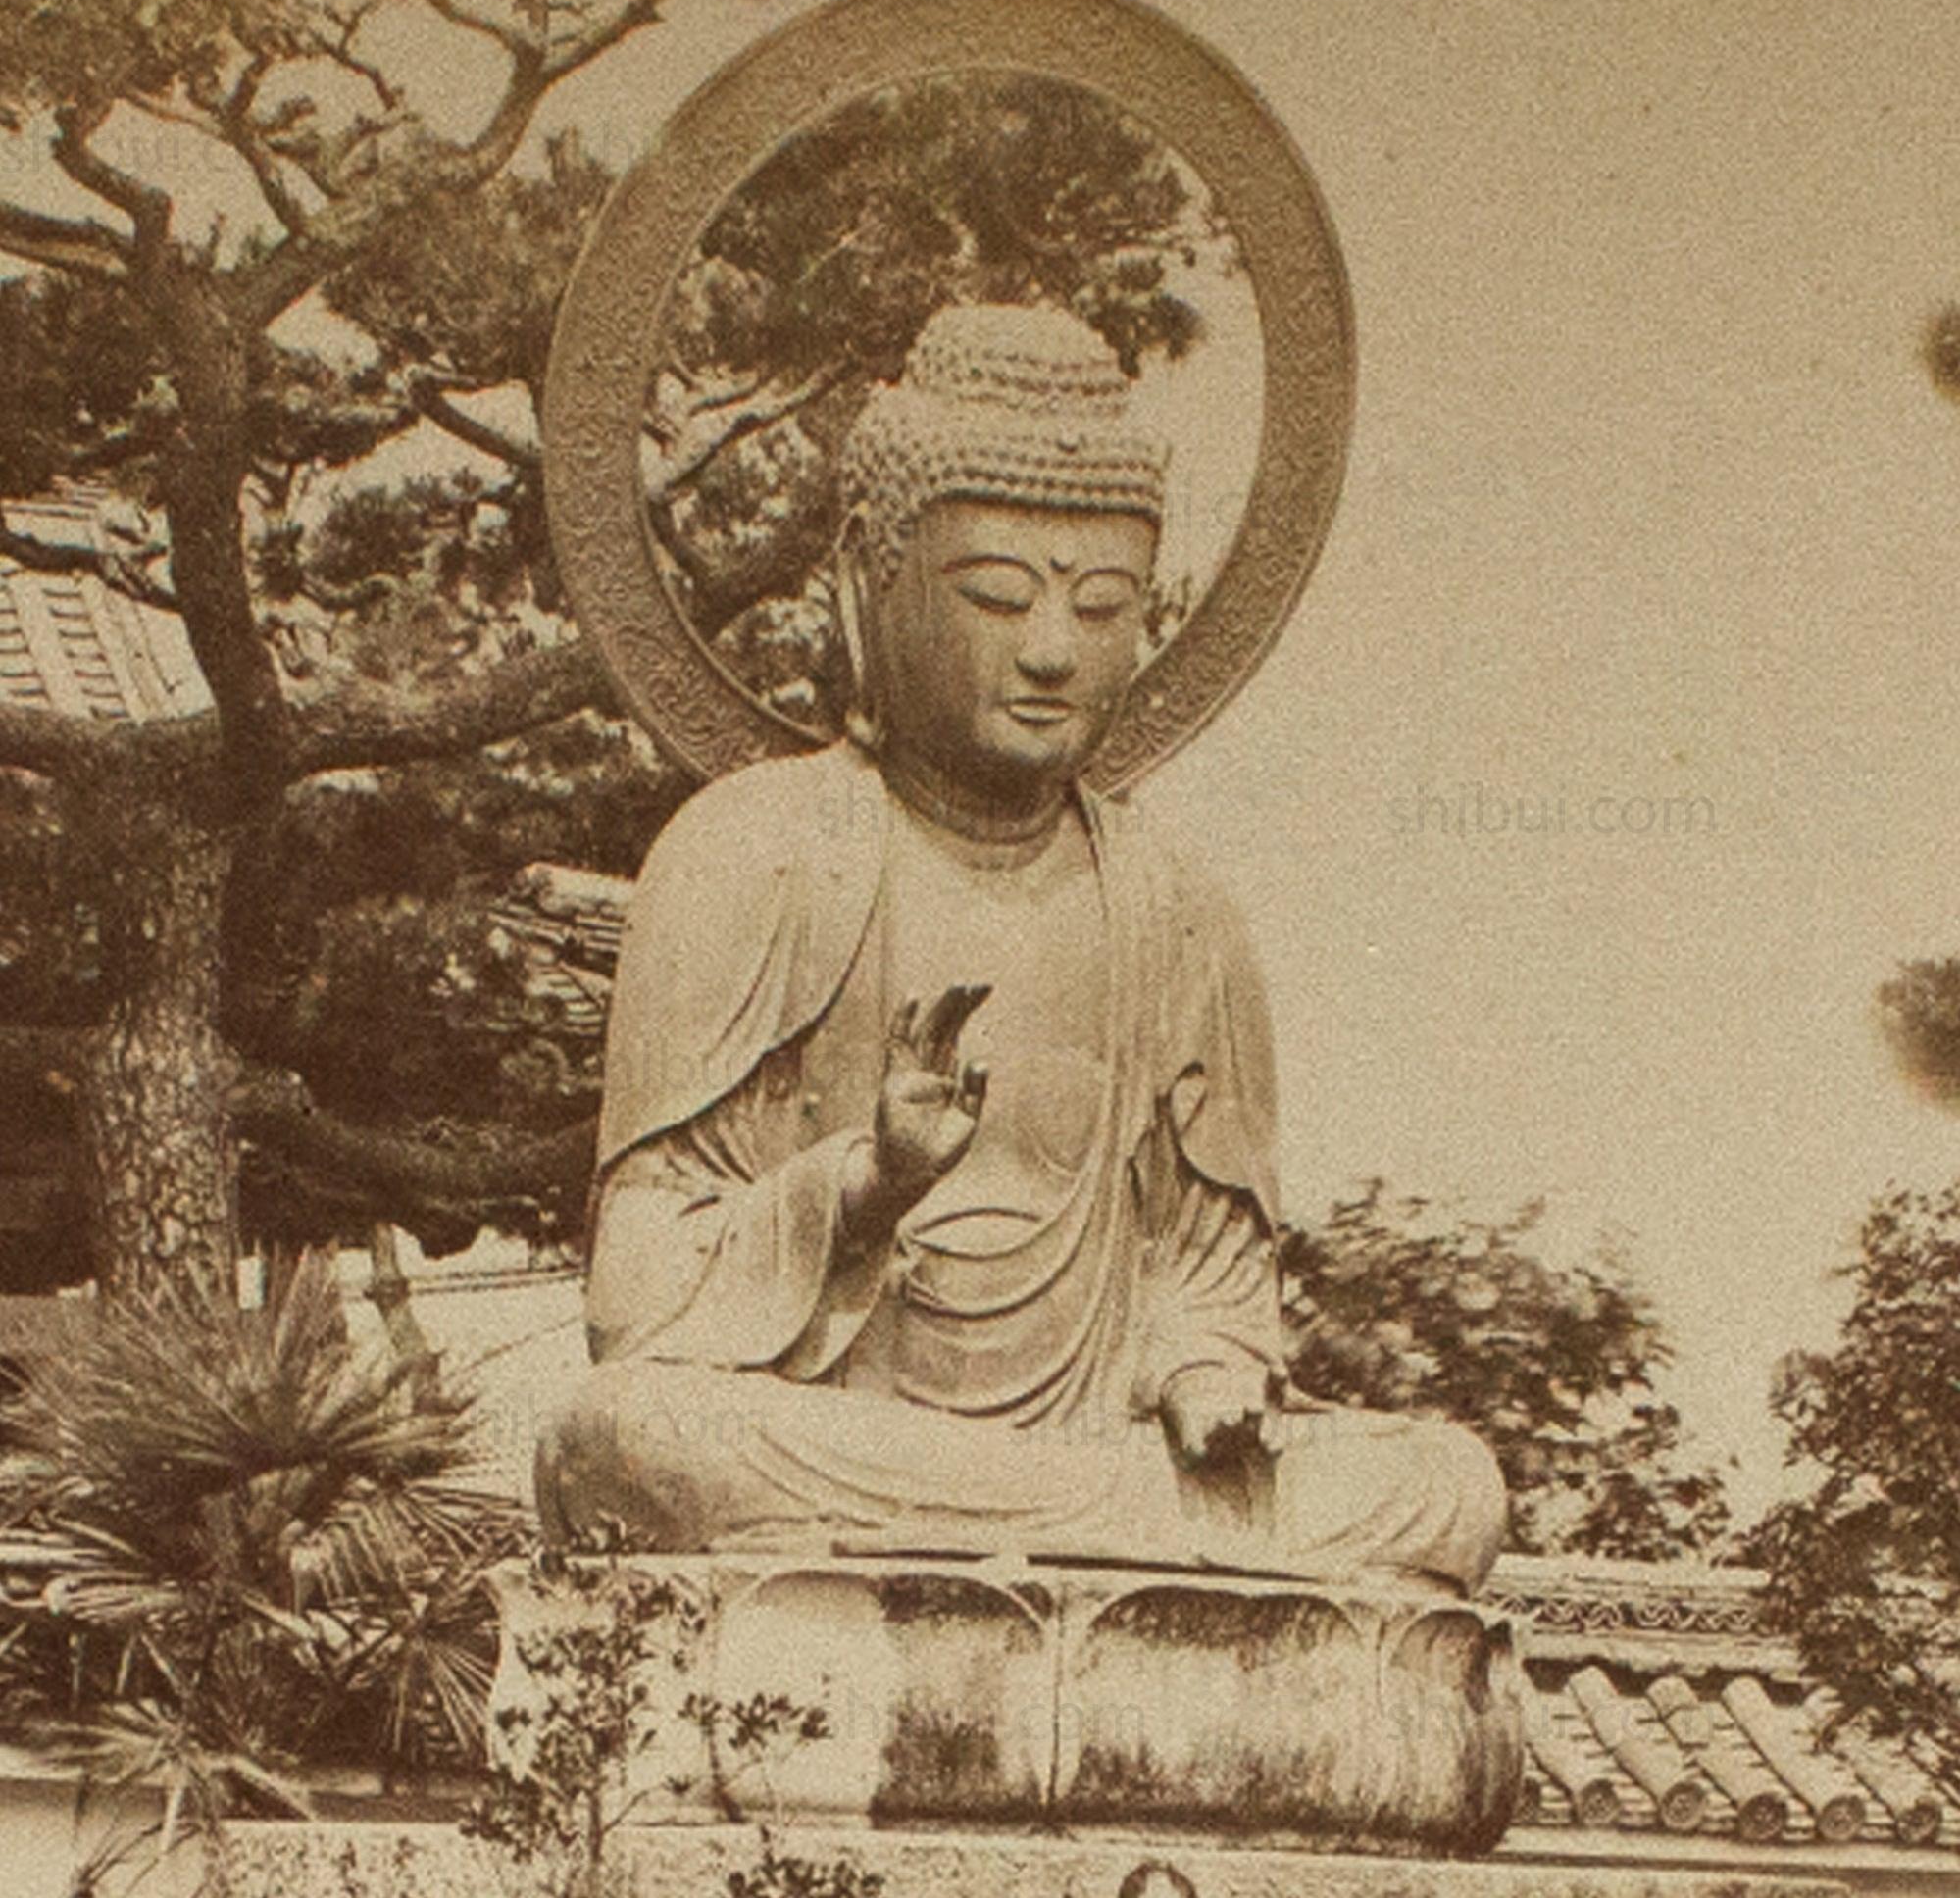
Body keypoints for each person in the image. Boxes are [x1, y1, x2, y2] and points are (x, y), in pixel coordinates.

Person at [536, 303, 1506, 1591]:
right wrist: (870, 1180)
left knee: (1448, 1489)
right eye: (997, 596)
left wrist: (1206, 1369)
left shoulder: (1176, 907)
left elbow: (1211, 1278)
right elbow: (638, 1306)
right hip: (834, 1438)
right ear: (864, 590)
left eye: (1104, 607)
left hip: (1088, 1458)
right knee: (628, 1442)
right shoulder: (750, 854)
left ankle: (1081, 1526)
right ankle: (1117, 1541)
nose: (1052, 651)